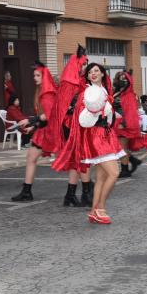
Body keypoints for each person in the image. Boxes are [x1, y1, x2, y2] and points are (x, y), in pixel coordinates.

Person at [53, 63, 125, 224]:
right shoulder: (88, 92)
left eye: (96, 71)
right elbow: (83, 118)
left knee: (101, 177)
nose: (93, 73)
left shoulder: (104, 91)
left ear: (102, 74)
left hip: (106, 135)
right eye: (90, 72)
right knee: (114, 173)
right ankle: (101, 208)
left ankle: (93, 211)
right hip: (97, 136)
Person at [48, 45, 93, 207]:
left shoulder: (74, 81)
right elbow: (66, 108)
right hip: (71, 125)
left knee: (78, 160)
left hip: (75, 124)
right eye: (82, 65)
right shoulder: (70, 83)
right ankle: (85, 194)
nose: (83, 68)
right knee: (82, 158)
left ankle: (70, 195)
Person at [12, 62, 59, 202]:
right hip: (45, 131)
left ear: (45, 77)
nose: (35, 77)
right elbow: (44, 117)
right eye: (34, 75)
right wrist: (33, 127)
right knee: (31, 158)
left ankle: (88, 186)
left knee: (69, 161)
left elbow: (50, 115)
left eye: (38, 75)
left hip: (53, 132)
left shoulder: (47, 93)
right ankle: (26, 191)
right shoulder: (41, 91)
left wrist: (30, 121)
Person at [113, 71, 143, 178]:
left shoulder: (129, 94)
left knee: (122, 148)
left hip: (123, 125)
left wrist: (124, 124)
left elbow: (130, 111)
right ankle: (133, 161)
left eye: (125, 79)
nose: (123, 81)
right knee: (119, 148)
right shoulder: (117, 92)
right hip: (116, 124)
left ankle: (125, 169)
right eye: (121, 79)